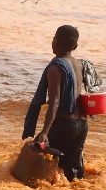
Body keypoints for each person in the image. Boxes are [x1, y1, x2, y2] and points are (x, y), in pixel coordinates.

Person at [22, 25, 88, 181]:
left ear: (55, 41)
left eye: (53, 38)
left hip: (65, 125)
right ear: (75, 46)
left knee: (52, 170)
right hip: (82, 125)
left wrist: (45, 131)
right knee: (73, 173)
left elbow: (55, 102)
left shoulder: (56, 67)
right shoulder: (79, 64)